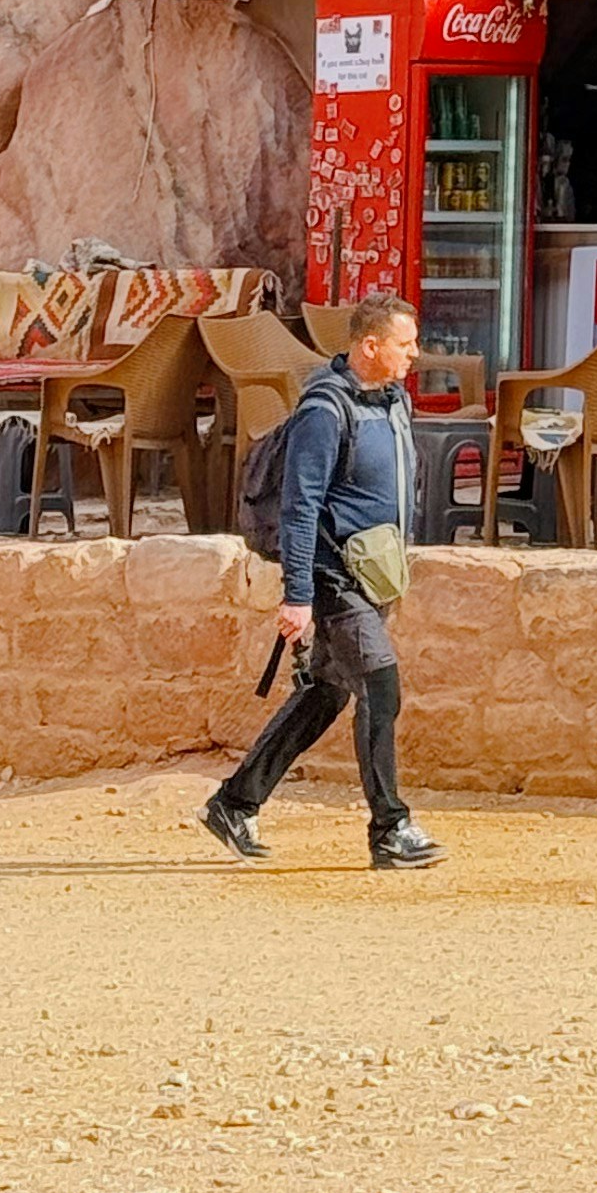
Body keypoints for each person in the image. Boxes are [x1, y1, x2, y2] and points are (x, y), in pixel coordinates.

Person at [199, 297, 441, 869]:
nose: (415, 353)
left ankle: (235, 803)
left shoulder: (393, 401)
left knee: (326, 693)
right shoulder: (324, 412)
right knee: (380, 687)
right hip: (334, 576)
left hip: (370, 573)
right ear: (370, 346)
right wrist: (299, 595)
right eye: (405, 344)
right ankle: (390, 828)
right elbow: (300, 507)